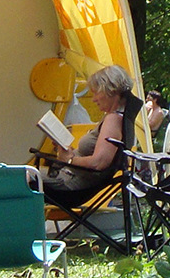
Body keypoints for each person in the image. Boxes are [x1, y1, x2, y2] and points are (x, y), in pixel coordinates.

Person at [41, 64, 140, 201]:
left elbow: (98, 163)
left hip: (71, 184)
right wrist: (68, 153)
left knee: (17, 177)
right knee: (19, 175)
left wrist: (69, 160)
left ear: (109, 91)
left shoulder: (113, 120)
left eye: (95, 93)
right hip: (70, 177)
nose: (93, 99)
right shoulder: (117, 117)